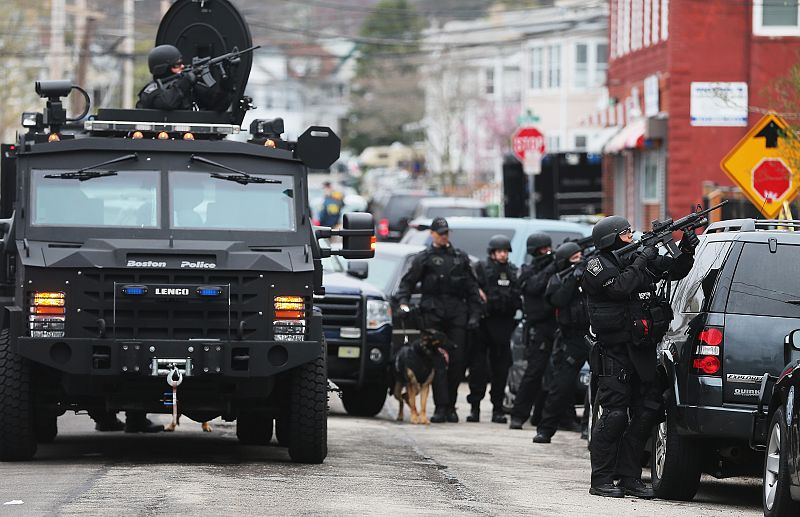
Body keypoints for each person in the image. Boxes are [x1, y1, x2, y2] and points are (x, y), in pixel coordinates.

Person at [582, 216, 697, 499]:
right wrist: (643, 257)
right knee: (614, 414)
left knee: (647, 411)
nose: (632, 236)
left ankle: (630, 476)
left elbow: (674, 271)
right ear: (610, 238)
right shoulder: (597, 265)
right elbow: (619, 287)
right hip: (615, 351)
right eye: (626, 233)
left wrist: (687, 251)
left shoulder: (637, 257)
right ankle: (602, 479)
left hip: (642, 349)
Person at [396, 217, 482, 423]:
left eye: (446, 233)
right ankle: (440, 407)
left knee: (457, 362)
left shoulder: (460, 258)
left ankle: (451, 406)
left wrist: (475, 315)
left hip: (456, 315)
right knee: (437, 364)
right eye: (440, 233)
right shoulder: (424, 258)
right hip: (432, 315)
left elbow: (472, 289)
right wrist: (403, 304)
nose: (444, 236)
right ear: (432, 234)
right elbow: (406, 284)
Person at [533, 241, 590, 443]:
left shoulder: (589, 273)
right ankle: (545, 429)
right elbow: (557, 300)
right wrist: (573, 279)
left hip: (594, 334)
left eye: (580, 256)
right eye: (574, 258)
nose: (580, 260)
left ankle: (587, 427)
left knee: (599, 384)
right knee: (561, 385)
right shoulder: (559, 279)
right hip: (571, 337)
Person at [466, 234, 521, 424]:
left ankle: (498, 409)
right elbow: (471, 289)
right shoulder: (481, 269)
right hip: (483, 324)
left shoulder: (513, 272)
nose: (503, 255)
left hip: (503, 326)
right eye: (499, 251)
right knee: (478, 369)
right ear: (492, 253)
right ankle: (475, 408)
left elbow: (518, 296)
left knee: (501, 370)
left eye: (505, 251)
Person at [508, 233, 557, 430]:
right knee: (534, 373)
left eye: (549, 248)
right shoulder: (527, 271)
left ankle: (545, 416)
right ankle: (518, 415)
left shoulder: (554, 266)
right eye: (544, 249)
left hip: (556, 326)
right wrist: (553, 265)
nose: (548, 252)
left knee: (556, 375)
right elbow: (534, 286)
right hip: (538, 329)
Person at [137, 45, 197, 110]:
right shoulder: (152, 89)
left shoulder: (183, 83)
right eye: (177, 65)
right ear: (163, 69)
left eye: (182, 63)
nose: (182, 66)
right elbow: (166, 103)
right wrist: (185, 83)